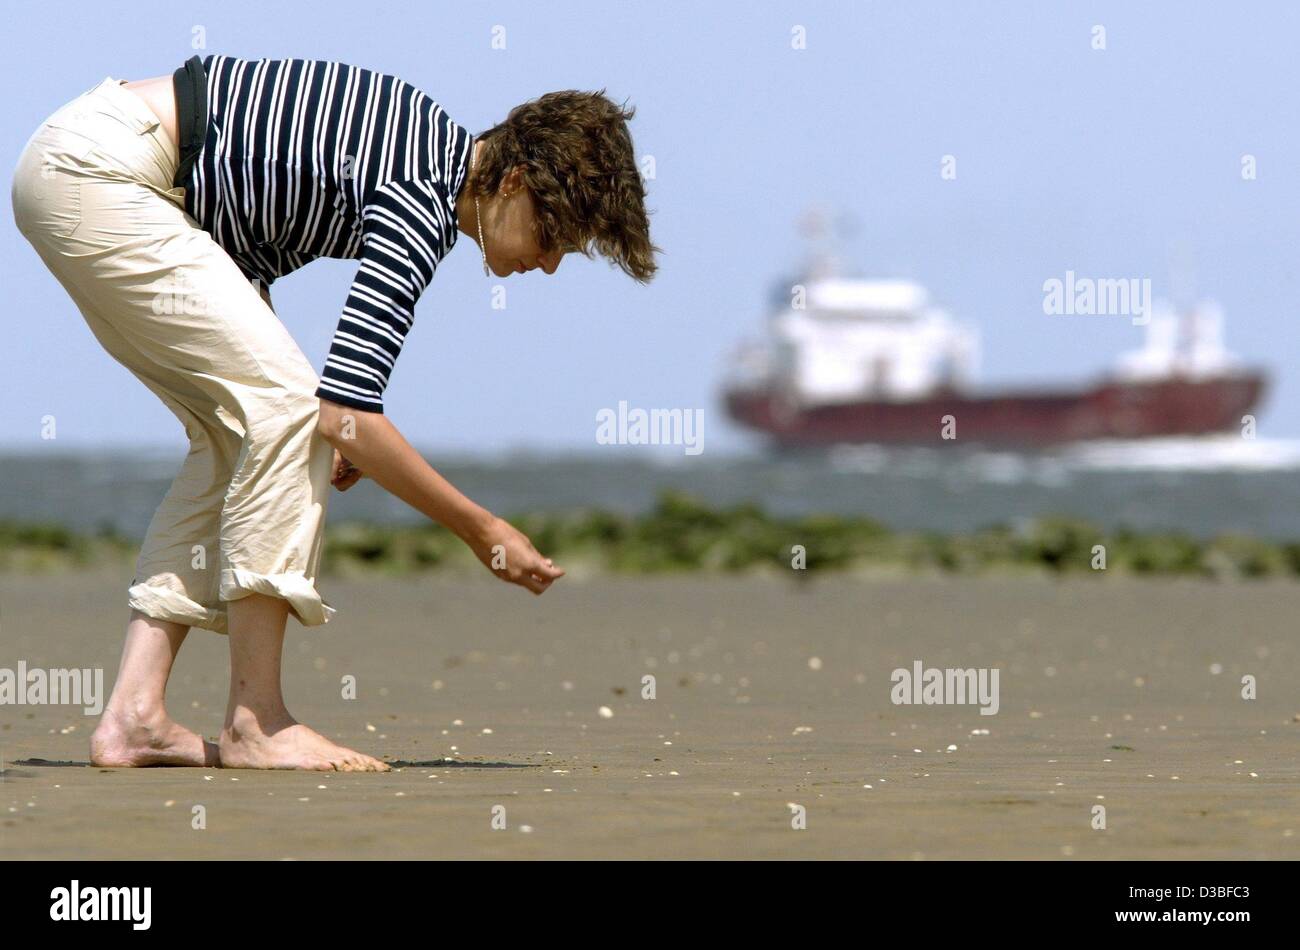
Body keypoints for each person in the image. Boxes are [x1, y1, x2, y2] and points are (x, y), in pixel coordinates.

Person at [10, 54, 659, 771]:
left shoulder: (423, 158)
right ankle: (258, 722)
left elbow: (244, 260)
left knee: (243, 431)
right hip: (103, 173)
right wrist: (484, 530)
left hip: (91, 168)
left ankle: (134, 718)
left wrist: (321, 425)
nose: (551, 264)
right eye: (556, 236)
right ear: (513, 182)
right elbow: (343, 410)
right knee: (284, 410)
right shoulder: (422, 191)